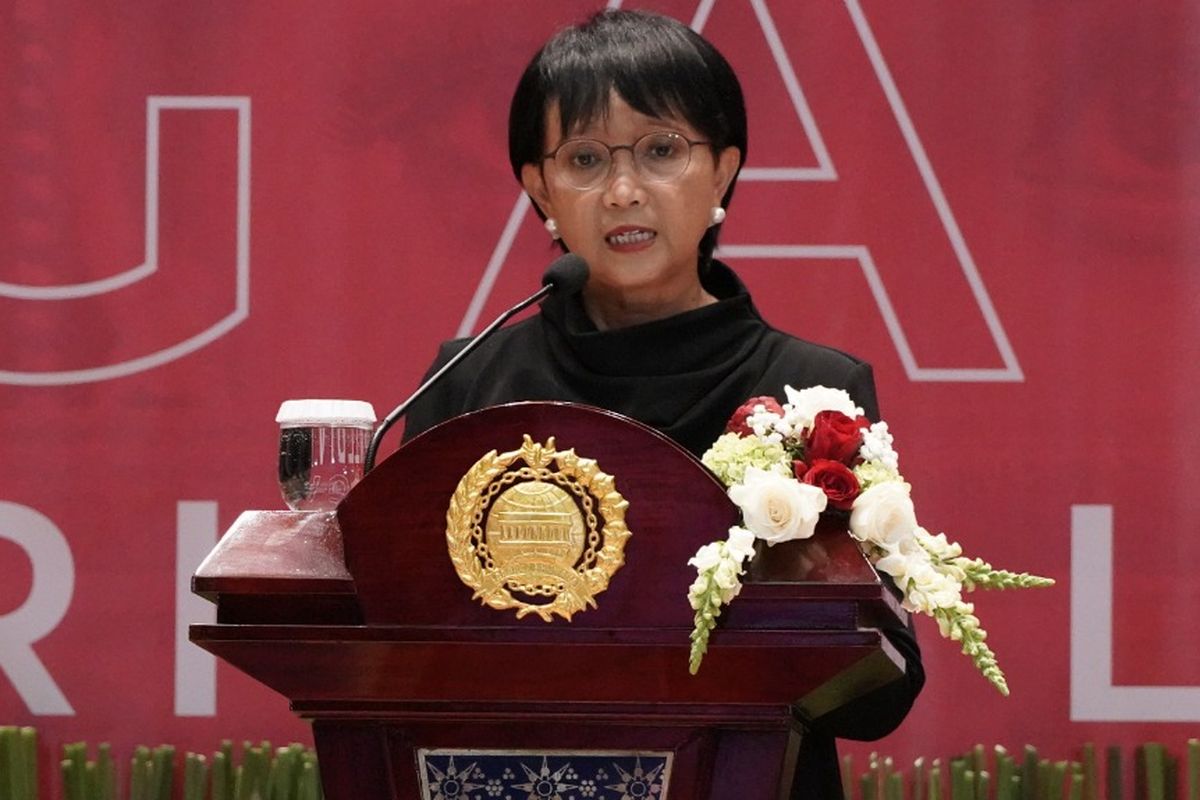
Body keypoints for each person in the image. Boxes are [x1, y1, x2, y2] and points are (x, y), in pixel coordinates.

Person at [403, 9, 923, 798]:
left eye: (661, 151)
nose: (621, 190)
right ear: (538, 188)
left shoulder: (814, 396)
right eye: (583, 158)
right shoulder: (470, 385)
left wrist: (811, 602)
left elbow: (884, 696)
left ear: (721, 172)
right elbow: (398, 646)